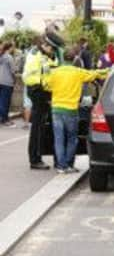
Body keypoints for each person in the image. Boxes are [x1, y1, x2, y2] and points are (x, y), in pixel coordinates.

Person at [44, 49, 107, 174]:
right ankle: (68, 164)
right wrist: (108, 71)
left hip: (56, 109)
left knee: (59, 139)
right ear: (74, 60)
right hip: (71, 110)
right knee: (72, 138)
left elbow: (46, 85)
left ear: (63, 58)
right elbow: (95, 74)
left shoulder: (55, 72)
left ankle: (60, 166)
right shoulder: (78, 72)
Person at [23, 29, 62, 170]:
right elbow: (30, 78)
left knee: (45, 126)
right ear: (46, 45)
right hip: (38, 91)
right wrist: (44, 88)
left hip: (46, 93)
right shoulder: (35, 56)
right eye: (52, 48)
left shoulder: (48, 56)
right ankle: (34, 159)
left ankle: (43, 157)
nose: (53, 51)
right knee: (38, 127)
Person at [0, 42, 17, 127]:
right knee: (5, 102)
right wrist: (15, 80)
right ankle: (5, 120)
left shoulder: (1, 56)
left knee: (1, 101)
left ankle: (2, 118)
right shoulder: (9, 57)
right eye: (14, 47)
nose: (14, 49)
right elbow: (13, 71)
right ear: (10, 48)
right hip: (7, 82)